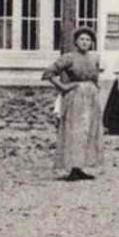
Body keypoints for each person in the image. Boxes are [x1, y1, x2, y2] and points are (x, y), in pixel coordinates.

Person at [43, 27, 102, 181]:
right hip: (75, 98)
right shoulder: (69, 57)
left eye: (88, 40)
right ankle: (72, 168)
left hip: (91, 98)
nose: (85, 42)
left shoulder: (95, 58)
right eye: (82, 39)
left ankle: (80, 167)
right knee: (74, 131)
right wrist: (63, 87)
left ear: (91, 43)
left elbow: (95, 77)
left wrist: (96, 90)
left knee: (88, 132)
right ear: (76, 41)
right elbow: (48, 73)